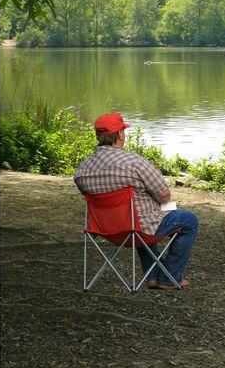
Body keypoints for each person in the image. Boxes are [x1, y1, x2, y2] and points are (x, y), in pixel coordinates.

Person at [74, 112, 198, 290]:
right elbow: (164, 195)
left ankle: (154, 275)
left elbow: (86, 194)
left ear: (98, 136)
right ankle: (170, 277)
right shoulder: (133, 162)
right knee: (188, 219)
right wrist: (165, 205)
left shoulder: (83, 168)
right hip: (137, 227)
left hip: (106, 228)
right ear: (120, 135)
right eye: (123, 131)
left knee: (140, 216)